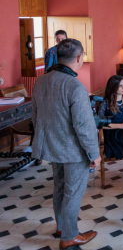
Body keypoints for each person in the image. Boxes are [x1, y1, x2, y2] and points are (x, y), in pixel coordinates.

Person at [32, 39, 100, 248]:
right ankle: (69, 236)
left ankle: (62, 227)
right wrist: (94, 154)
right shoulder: (75, 86)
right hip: (72, 150)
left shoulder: (41, 81)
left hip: (51, 147)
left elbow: (35, 116)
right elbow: (84, 126)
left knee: (59, 188)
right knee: (72, 192)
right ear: (79, 58)